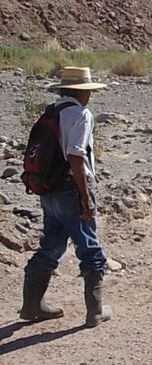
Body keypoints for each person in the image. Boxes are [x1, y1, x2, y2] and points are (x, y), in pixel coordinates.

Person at [20, 66, 111, 327]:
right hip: (71, 188)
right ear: (83, 93)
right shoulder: (80, 114)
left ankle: (31, 305)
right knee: (89, 247)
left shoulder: (52, 112)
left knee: (51, 245)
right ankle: (95, 312)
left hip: (49, 189)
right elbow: (75, 154)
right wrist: (85, 195)